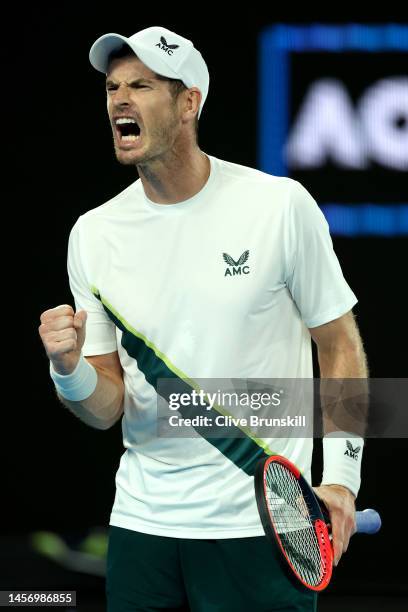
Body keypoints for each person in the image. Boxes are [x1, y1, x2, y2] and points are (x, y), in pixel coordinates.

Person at [38, 25, 368, 612]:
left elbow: (338, 344)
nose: (119, 99)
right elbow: (108, 406)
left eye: (141, 85)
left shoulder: (279, 205)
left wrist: (341, 480)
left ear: (189, 101)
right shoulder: (93, 234)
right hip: (143, 527)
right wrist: (68, 370)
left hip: (263, 526)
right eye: (113, 86)